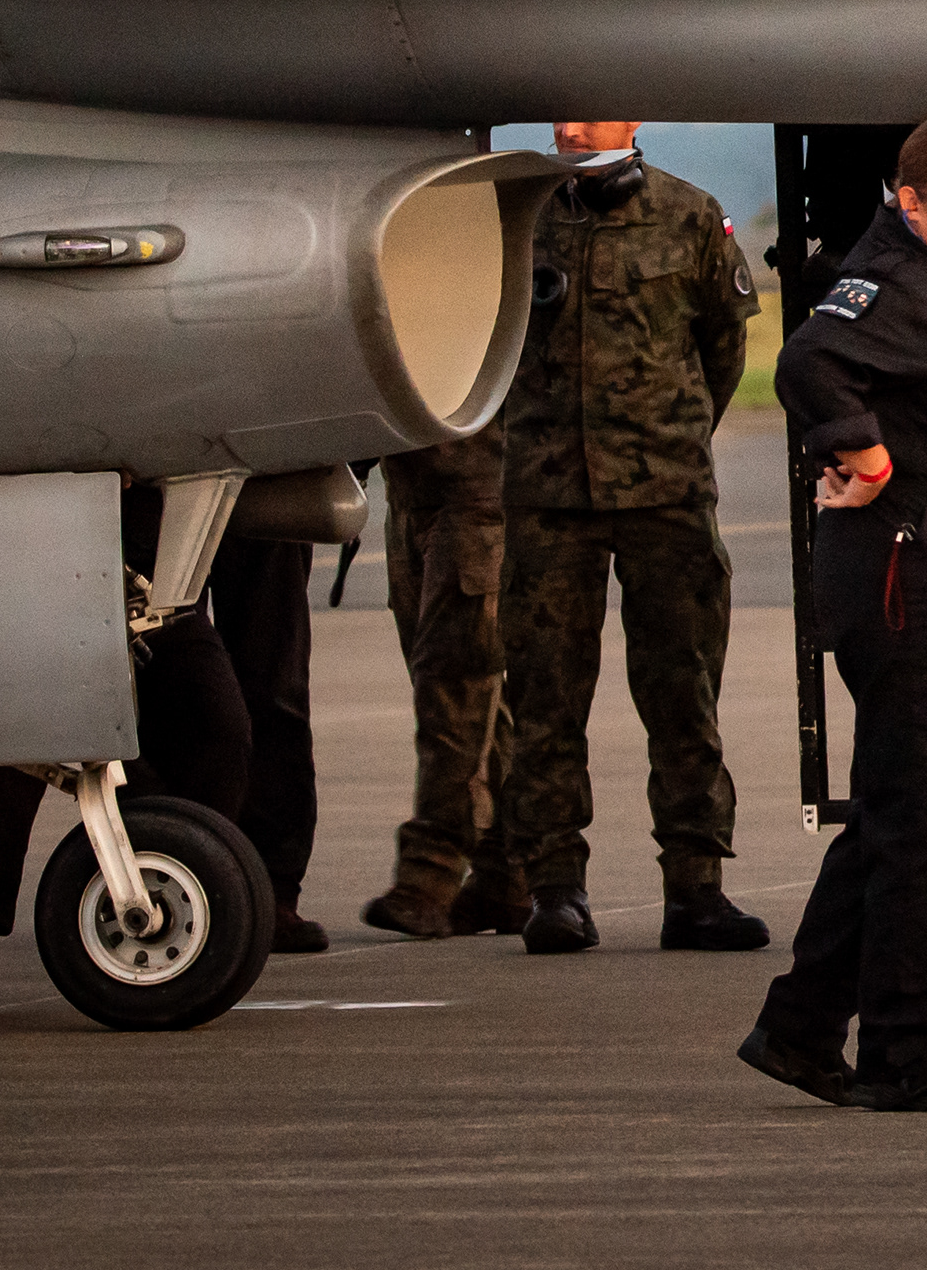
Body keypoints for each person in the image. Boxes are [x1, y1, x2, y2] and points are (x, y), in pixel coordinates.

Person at [741, 118, 927, 1113]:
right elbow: (808, 362)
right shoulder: (891, 285)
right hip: (920, 585)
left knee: (898, 817)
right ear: (908, 202)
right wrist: (859, 451)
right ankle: (903, 1047)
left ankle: (802, 1027)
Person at [465, 123, 765, 955]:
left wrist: (670, 430)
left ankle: (697, 886)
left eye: (593, 110)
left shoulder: (689, 215)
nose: (573, 126)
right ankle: (554, 889)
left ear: (633, 118)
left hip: (664, 491)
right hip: (548, 493)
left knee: (683, 691)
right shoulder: (517, 216)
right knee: (546, 695)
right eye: (562, 111)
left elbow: (723, 347)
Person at [0, 482, 256, 1016]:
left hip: (149, 586)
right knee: (5, 758)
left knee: (215, 730)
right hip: (25, 579)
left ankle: (182, 901)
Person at [361, 429, 507, 938]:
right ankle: (508, 872)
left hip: (476, 499)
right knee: (479, 699)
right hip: (411, 493)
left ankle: (429, 876)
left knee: (453, 692)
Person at [207, 531, 326, 951]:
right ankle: (171, 864)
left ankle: (271, 888)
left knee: (273, 690)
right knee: (157, 674)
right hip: (148, 496)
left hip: (261, 491)